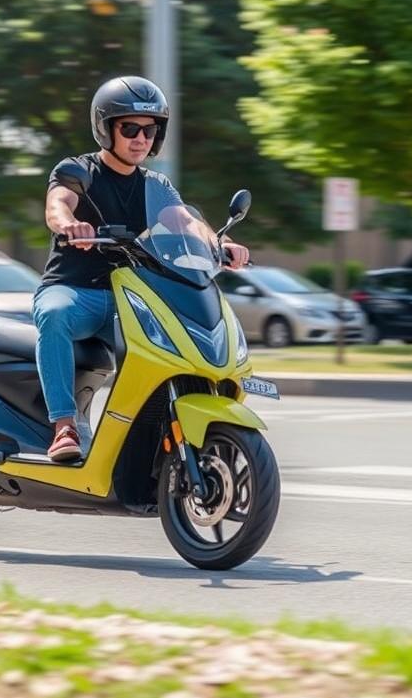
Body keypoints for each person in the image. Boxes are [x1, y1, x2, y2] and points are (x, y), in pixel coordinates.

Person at [34, 75, 250, 461]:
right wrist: (68, 224)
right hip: (75, 289)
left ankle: (150, 435)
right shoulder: (78, 170)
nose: (141, 138)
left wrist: (220, 245)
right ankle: (64, 426)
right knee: (53, 316)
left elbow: (186, 222)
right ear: (106, 128)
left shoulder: (156, 185)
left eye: (150, 130)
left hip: (128, 295)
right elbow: (58, 204)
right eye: (129, 128)